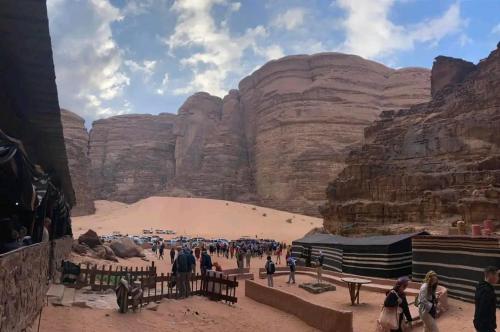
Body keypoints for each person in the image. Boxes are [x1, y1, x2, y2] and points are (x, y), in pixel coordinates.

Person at [474, 266, 498, 332]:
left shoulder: (480, 286)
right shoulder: (487, 291)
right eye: (497, 275)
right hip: (485, 326)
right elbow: (482, 311)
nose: (498, 278)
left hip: (480, 324)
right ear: (490, 275)